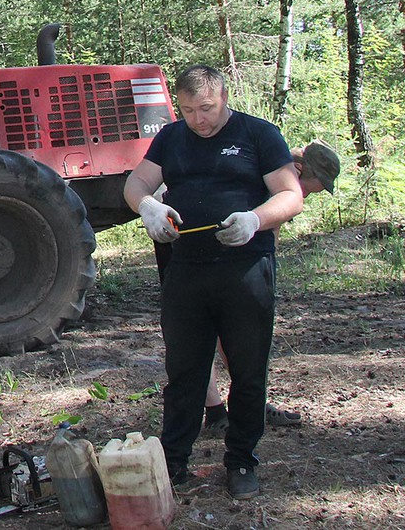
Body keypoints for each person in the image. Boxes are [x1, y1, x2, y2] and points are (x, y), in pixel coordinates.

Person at [124, 65, 303, 501]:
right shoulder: (171, 137)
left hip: (245, 268)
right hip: (187, 269)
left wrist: (255, 219)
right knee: (184, 370)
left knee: (247, 368)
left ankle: (241, 459)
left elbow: (291, 194)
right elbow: (137, 181)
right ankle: (174, 461)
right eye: (188, 110)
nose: (198, 119)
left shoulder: (259, 134)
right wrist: (146, 205)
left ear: (223, 97)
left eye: (206, 108)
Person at [155, 140, 342, 433]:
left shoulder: (279, 182)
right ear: (298, 169)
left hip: (226, 250)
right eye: (308, 188)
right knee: (199, 329)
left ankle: (249, 401)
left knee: (238, 327)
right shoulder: (266, 172)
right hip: (183, 236)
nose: (302, 197)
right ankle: (215, 412)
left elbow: (268, 240)